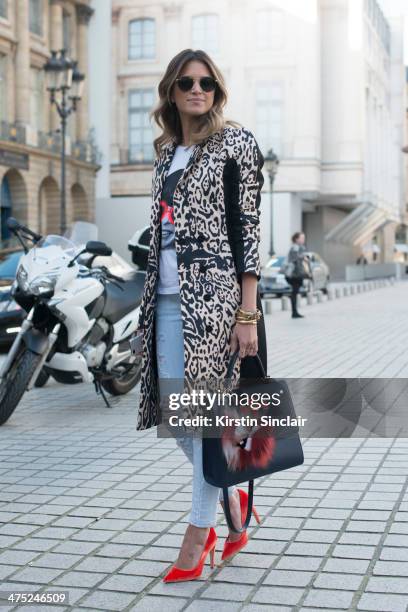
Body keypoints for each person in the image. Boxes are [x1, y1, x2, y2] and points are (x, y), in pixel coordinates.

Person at [134, 48, 267, 582]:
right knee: (179, 418)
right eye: (187, 82)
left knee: (205, 421)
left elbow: (249, 234)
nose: (197, 90)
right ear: (171, 90)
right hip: (163, 298)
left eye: (207, 83)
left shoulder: (235, 144)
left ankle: (198, 532)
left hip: (213, 300)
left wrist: (247, 314)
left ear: (217, 91)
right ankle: (234, 511)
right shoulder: (166, 153)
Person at [285, 232, 310, 319]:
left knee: (295, 292)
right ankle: (294, 312)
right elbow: (294, 259)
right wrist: (303, 257)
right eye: (302, 238)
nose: (303, 240)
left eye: (304, 238)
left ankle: (295, 311)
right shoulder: (295, 247)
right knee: (294, 292)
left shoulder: (300, 247)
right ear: (296, 239)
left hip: (298, 274)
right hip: (294, 274)